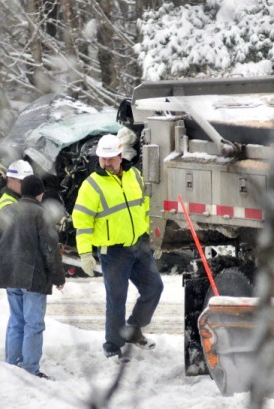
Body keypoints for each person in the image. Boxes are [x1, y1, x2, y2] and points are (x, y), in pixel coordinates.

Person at [71, 133, 164, 360]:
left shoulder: (135, 176)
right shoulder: (91, 185)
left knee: (154, 288)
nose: (106, 163)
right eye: (103, 158)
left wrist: (155, 237)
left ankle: (133, 329)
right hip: (112, 251)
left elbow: (147, 207)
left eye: (111, 158)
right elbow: (82, 222)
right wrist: (85, 253)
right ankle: (112, 344)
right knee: (116, 298)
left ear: (121, 156)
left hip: (138, 245)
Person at [0, 175, 65, 379]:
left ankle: (12, 365)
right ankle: (30, 370)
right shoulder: (42, 214)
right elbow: (50, 249)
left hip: (8, 274)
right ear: (40, 194)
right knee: (33, 323)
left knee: (16, 320)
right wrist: (58, 277)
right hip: (33, 277)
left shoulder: (6, 210)